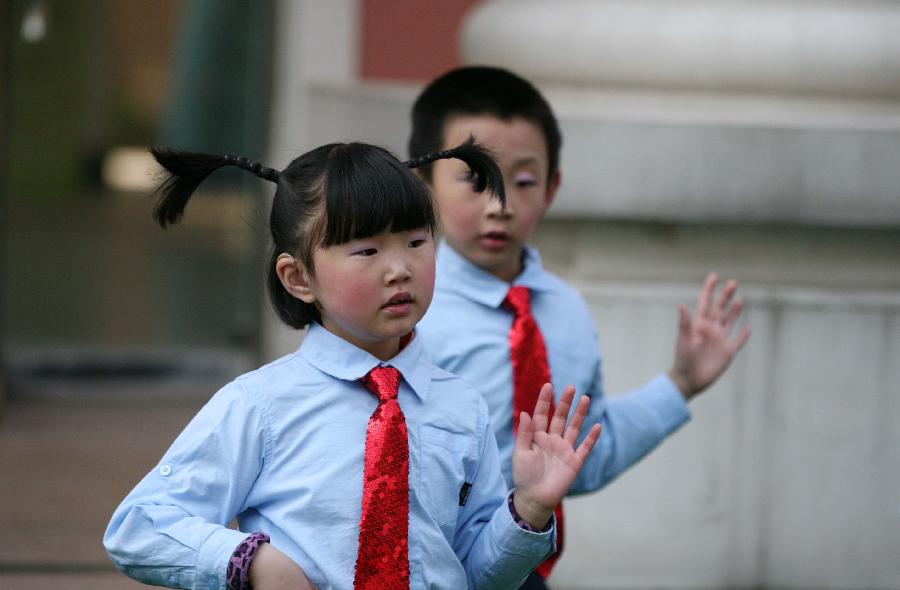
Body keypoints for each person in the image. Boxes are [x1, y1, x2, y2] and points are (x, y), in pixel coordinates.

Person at [103, 138, 602, 590]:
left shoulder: (461, 406)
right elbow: (140, 525)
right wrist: (250, 560)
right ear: (298, 278)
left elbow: (477, 575)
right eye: (366, 250)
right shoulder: (260, 405)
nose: (400, 268)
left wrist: (529, 509)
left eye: (416, 241)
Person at [410, 66, 752, 588]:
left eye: (523, 181)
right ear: (422, 183)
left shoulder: (565, 311)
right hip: (417, 565)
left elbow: (582, 459)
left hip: (522, 567)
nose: (500, 205)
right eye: (475, 179)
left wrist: (680, 383)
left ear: (552, 188)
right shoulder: (405, 307)